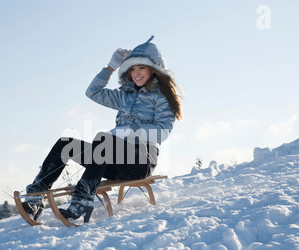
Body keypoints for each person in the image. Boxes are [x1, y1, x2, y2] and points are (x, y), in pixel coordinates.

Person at [22, 35, 183, 223]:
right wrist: (110, 68)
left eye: (142, 67)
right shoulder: (125, 95)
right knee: (65, 144)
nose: (136, 73)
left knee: (105, 140)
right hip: (111, 158)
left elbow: (162, 131)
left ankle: (82, 200)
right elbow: (93, 92)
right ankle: (35, 197)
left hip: (141, 161)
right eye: (132, 68)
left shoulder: (162, 97)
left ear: (154, 70)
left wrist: (131, 132)